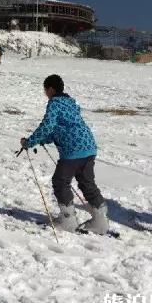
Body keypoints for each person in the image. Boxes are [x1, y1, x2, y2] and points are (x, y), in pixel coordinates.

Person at [20, 75, 108, 235]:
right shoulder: (70, 103)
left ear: (51, 89)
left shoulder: (54, 103)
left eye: (45, 90)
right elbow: (61, 127)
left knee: (60, 182)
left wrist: (30, 142)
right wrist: (41, 140)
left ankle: (68, 220)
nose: (45, 93)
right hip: (88, 146)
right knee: (87, 183)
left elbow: (48, 126)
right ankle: (100, 221)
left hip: (72, 150)